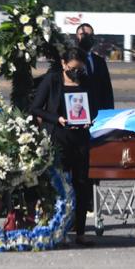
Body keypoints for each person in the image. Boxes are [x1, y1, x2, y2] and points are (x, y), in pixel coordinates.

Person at [31, 47, 98, 246]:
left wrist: (89, 119)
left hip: (80, 139)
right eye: (73, 68)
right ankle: (57, 228)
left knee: (81, 183)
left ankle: (81, 231)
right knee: (58, 184)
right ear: (63, 64)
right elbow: (35, 108)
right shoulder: (52, 80)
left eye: (80, 69)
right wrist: (56, 118)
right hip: (59, 138)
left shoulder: (86, 82)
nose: (76, 72)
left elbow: (93, 107)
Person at [75, 24, 114, 110]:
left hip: (98, 109)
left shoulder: (100, 61)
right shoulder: (71, 59)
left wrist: (109, 110)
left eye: (90, 35)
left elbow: (107, 89)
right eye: (83, 35)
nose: (86, 38)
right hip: (77, 107)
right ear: (77, 36)